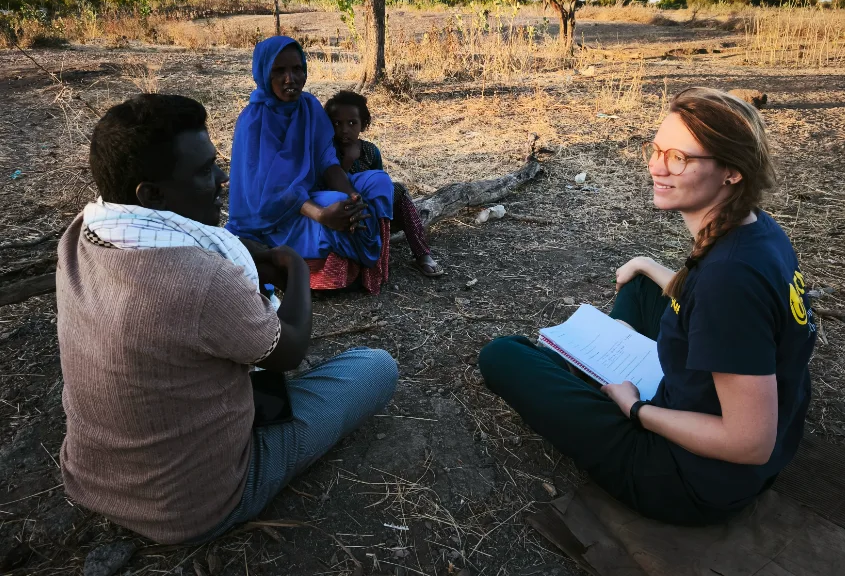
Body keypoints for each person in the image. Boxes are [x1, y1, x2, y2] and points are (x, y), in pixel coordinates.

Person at [56, 94, 398, 545]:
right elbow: (289, 351)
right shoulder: (202, 278)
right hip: (192, 505)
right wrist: (294, 266)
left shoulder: (82, 233)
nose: (220, 180)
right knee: (376, 365)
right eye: (203, 171)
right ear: (152, 194)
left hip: (89, 478)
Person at [478, 87, 816, 525]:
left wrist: (637, 410)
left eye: (680, 157)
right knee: (641, 288)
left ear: (732, 170)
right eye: (655, 149)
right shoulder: (758, 230)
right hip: (733, 420)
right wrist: (647, 265)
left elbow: (750, 443)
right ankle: (596, 372)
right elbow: (714, 304)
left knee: (502, 355)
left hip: (689, 478)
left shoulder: (729, 281)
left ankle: (600, 383)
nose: (657, 166)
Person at [226, 36, 394, 294]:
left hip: (310, 190)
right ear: (263, 73)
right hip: (274, 215)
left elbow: (327, 161)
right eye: (279, 71)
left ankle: (377, 265)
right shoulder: (254, 121)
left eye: (297, 69)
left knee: (379, 183)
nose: (290, 79)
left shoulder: (309, 107)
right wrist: (321, 215)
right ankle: (351, 265)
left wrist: (352, 196)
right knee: (338, 212)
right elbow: (269, 192)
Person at [324, 90, 444, 277]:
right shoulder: (328, 150)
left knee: (400, 193)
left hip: (375, 207)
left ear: (363, 125)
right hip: (345, 208)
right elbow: (330, 184)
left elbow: (381, 182)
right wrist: (347, 161)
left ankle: (422, 253)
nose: (344, 129)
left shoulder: (370, 151)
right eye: (337, 123)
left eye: (352, 123)